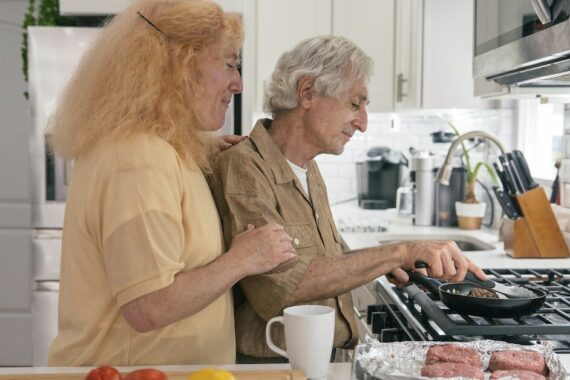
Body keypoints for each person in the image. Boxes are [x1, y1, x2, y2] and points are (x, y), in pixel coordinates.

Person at [46, 0, 296, 366]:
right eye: (228, 63)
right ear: (177, 65)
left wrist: (200, 150)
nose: (238, 83)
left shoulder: (159, 146)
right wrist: (243, 259)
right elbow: (148, 305)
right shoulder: (138, 158)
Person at [210, 36, 487, 362]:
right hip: (278, 365)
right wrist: (399, 250)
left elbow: (328, 256)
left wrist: (393, 261)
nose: (364, 122)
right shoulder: (245, 166)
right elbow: (283, 287)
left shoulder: (306, 166)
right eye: (355, 104)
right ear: (308, 93)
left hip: (319, 357)